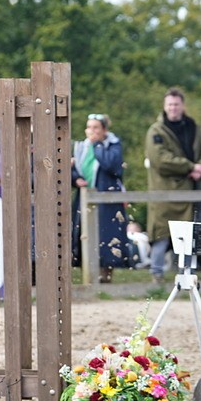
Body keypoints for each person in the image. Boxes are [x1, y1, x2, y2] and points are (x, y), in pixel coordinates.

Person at [145, 87, 201, 283]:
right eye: (169, 104)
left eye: (176, 104)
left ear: (182, 105)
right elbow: (160, 159)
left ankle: (188, 274)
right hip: (165, 192)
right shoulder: (156, 131)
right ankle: (156, 274)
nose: (173, 108)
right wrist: (190, 167)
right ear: (164, 106)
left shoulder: (194, 127)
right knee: (161, 233)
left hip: (191, 192)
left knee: (191, 234)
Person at [71, 113, 129, 282]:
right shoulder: (81, 147)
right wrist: (75, 178)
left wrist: (97, 146)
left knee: (107, 236)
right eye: (89, 127)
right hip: (85, 197)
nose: (92, 131)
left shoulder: (113, 145)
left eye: (96, 127)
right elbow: (75, 168)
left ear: (104, 130)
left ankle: (106, 275)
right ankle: (88, 275)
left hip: (106, 200)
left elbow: (112, 165)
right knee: (83, 233)